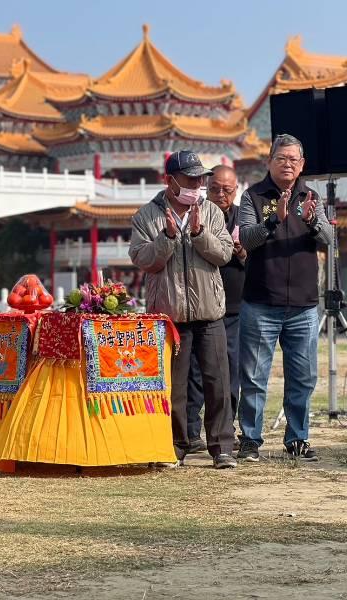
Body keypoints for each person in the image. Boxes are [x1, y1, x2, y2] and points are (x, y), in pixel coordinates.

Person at [129, 150, 236, 469]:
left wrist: (200, 235)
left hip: (210, 312)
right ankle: (175, 446)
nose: (197, 184)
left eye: (200, 179)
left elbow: (225, 255)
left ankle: (222, 448)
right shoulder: (147, 216)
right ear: (169, 180)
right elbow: (142, 259)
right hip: (169, 315)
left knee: (218, 381)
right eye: (190, 179)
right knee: (173, 385)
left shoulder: (212, 212)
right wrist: (167, 239)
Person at [237, 134, 331, 463]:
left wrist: (311, 220)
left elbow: (330, 239)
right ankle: (250, 440)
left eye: (294, 159)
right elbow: (246, 238)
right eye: (282, 158)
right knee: (253, 377)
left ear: (302, 164)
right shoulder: (252, 196)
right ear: (270, 162)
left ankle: (298, 438)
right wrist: (274, 218)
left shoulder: (311, 196)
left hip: (303, 307)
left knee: (303, 376)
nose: (288, 163)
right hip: (261, 303)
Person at [186, 166, 247, 453]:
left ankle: (226, 428)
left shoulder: (244, 217)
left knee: (228, 371)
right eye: (214, 189)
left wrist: (244, 254)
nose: (220, 194)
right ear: (205, 188)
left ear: (237, 190)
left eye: (227, 189)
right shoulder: (196, 213)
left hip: (233, 307)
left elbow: (260, 259)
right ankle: (190, 431)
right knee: (195, 371)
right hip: (199, 304)